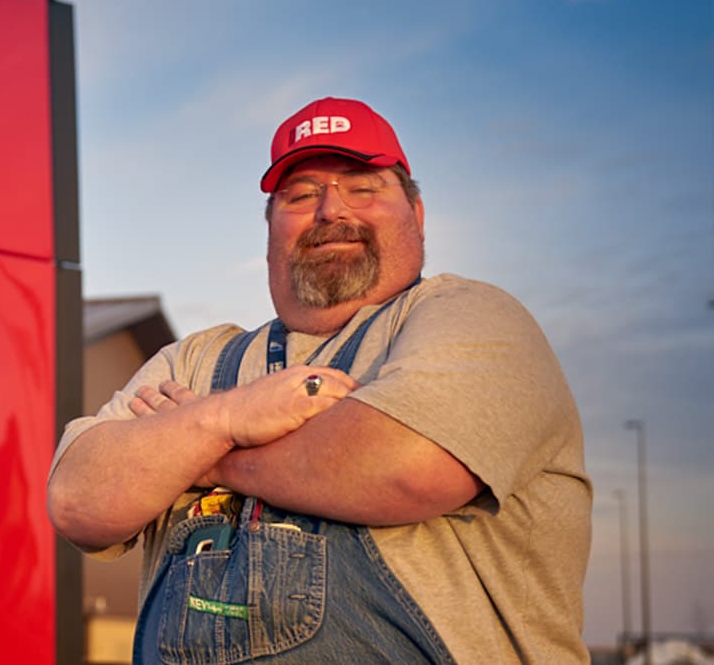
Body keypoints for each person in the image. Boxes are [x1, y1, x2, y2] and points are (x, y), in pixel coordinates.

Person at [47, 97, 591, 664]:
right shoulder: (196, 360)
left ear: (417, 213)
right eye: (301, 194)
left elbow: (406, 465)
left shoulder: (468, 317)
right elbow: (78, 500)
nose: (331, 210)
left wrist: (202, 455)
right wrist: (228, 417)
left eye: (362, 187)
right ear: (269, 230)